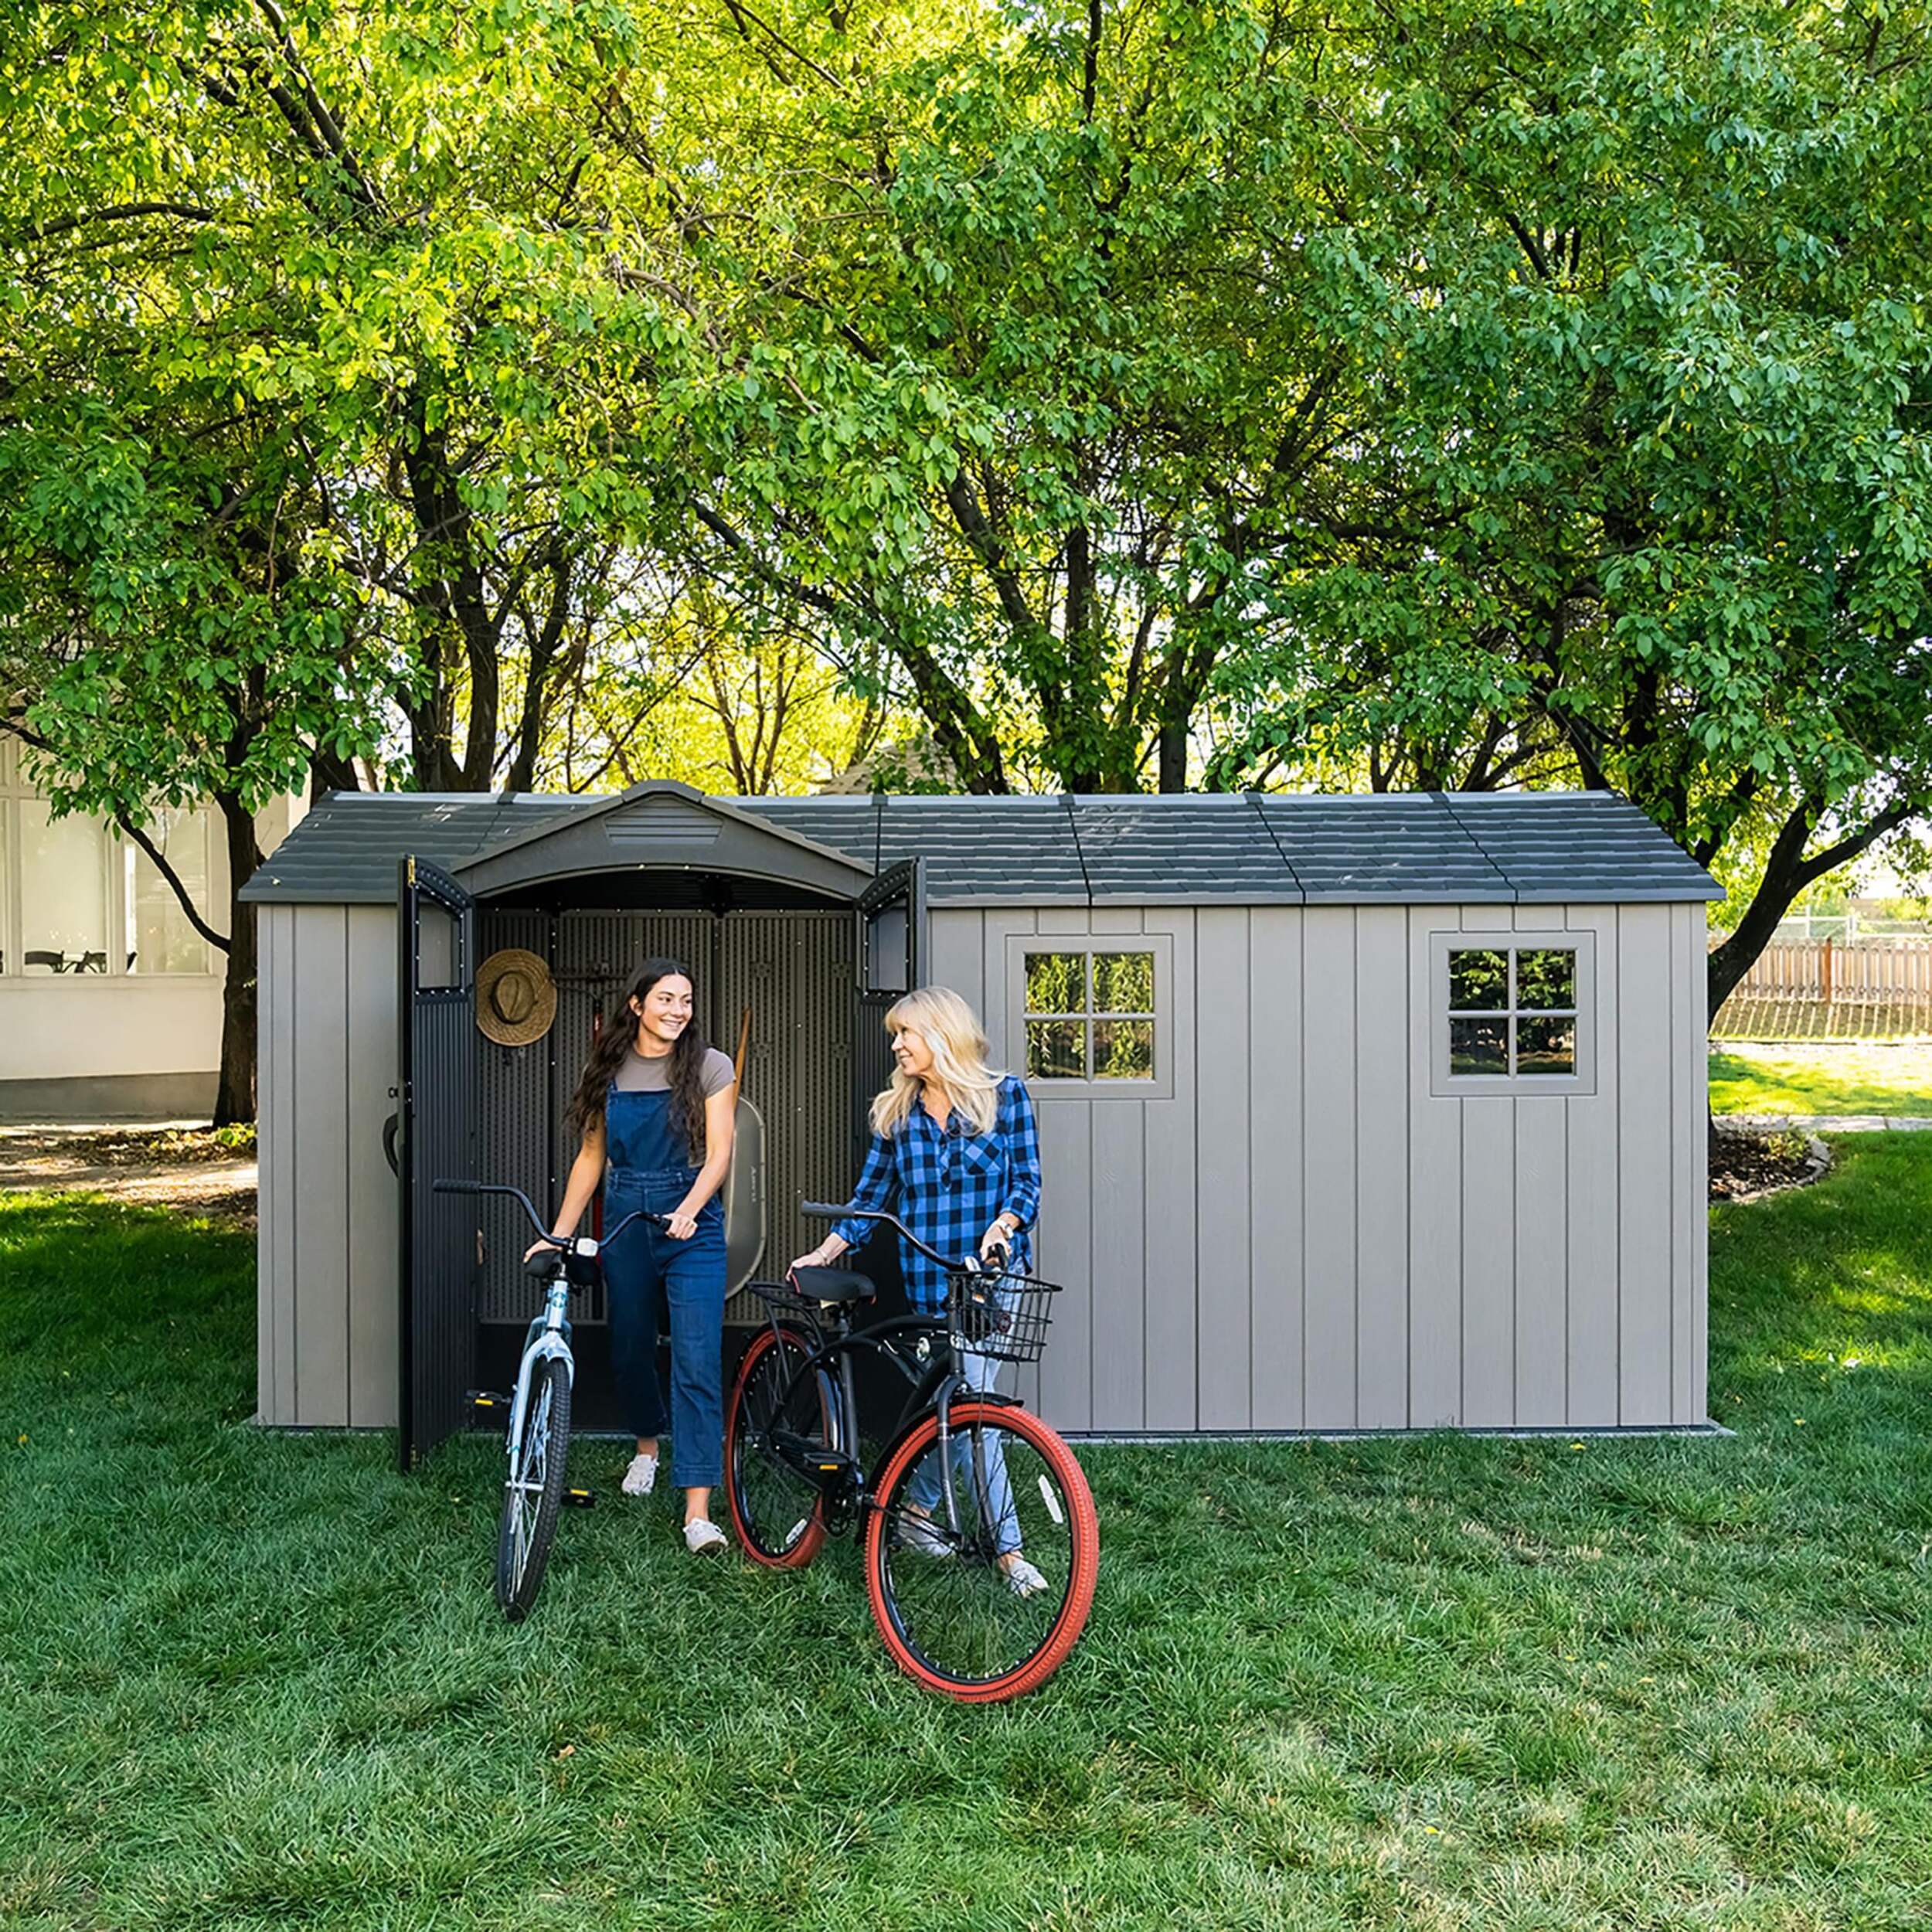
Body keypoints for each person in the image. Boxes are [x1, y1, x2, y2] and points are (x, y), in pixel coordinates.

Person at [787, 985, 1048, 1594]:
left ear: (941, 1034)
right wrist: (824, 1252)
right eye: (895, 1035)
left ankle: (998, 1550)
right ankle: (928, 1518)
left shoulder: (1005, 1096)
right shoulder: (897, 1114)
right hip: (931, 1283)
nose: (898, 1046)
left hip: (992, 1281)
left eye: (906, 1033)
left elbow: (1028, 1183)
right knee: (960, 1408)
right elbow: (869, 1201)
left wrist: (1004, 1227)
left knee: (974, 1409)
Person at [543, 958, 736, 1554]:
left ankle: (698, 1511)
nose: (678, 1011)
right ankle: (647, 1446)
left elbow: (720, 1155)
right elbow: (591, 1158)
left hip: (693, 1226)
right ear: (637, 1004)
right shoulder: (608, 1067)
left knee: (697, 1360)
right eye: (666, 999)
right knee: (629, 1347)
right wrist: (558, 1235)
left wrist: (691, 1208)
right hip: (626, 1216)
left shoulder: (710, 1066)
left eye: (686, 1000)